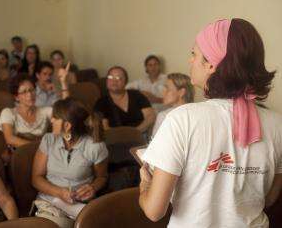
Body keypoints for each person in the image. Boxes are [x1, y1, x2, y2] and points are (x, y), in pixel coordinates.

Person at [139, 19, 282, 227]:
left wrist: (146, 185)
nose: (190, 61)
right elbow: (268, 199)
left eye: (194, 54)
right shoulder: (278, 124)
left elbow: (154, 211)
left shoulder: (182, 119)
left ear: (211, 64)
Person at [32, 98, 108, 227]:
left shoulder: (95, 146)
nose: (51, 120)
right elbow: (36, 179)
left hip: (80, 205)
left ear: (67, 126)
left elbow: (102, 177)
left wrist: (93, 187)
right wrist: (59, 192)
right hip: (50, 202)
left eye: (55, 118)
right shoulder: (48, 140)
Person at [0, 64, 71, 149]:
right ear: (16, 97)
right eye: (24, 92)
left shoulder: (45, 111)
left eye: (31, 90)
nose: (29, 95)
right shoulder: (8, 112)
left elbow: (65, 111)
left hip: (44, 153)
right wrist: (40, 148)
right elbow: (10, 139)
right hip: (21, 155)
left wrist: (63, 82)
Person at [94, 66, 155, 134]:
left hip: (141, 136)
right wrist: (125, 136)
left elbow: (150, 116)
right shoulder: (101, 102)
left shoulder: (137, 95)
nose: (114, 81)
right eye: (110, 77)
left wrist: (136, 131)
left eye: (118, 78)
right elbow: (105, 128)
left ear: (125, 82)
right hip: (115, 139)